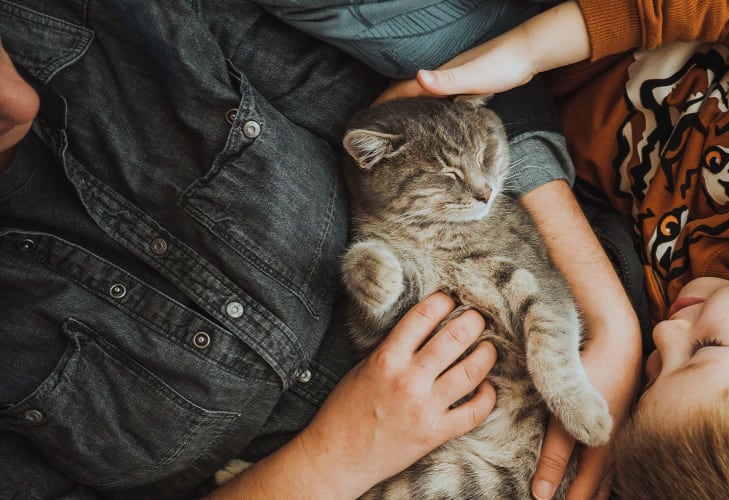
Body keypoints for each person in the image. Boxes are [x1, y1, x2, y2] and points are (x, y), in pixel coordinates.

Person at [0, 2, 640, 499]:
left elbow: (459, 72)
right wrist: (331, 460)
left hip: (581, 354)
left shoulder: (120, 24)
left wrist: (607, 317)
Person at [382, 0, 729, 497]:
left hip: (496, 76)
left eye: (658, 369)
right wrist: (526, 49)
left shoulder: (668, 317)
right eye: (707, 347)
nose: (663, 334)